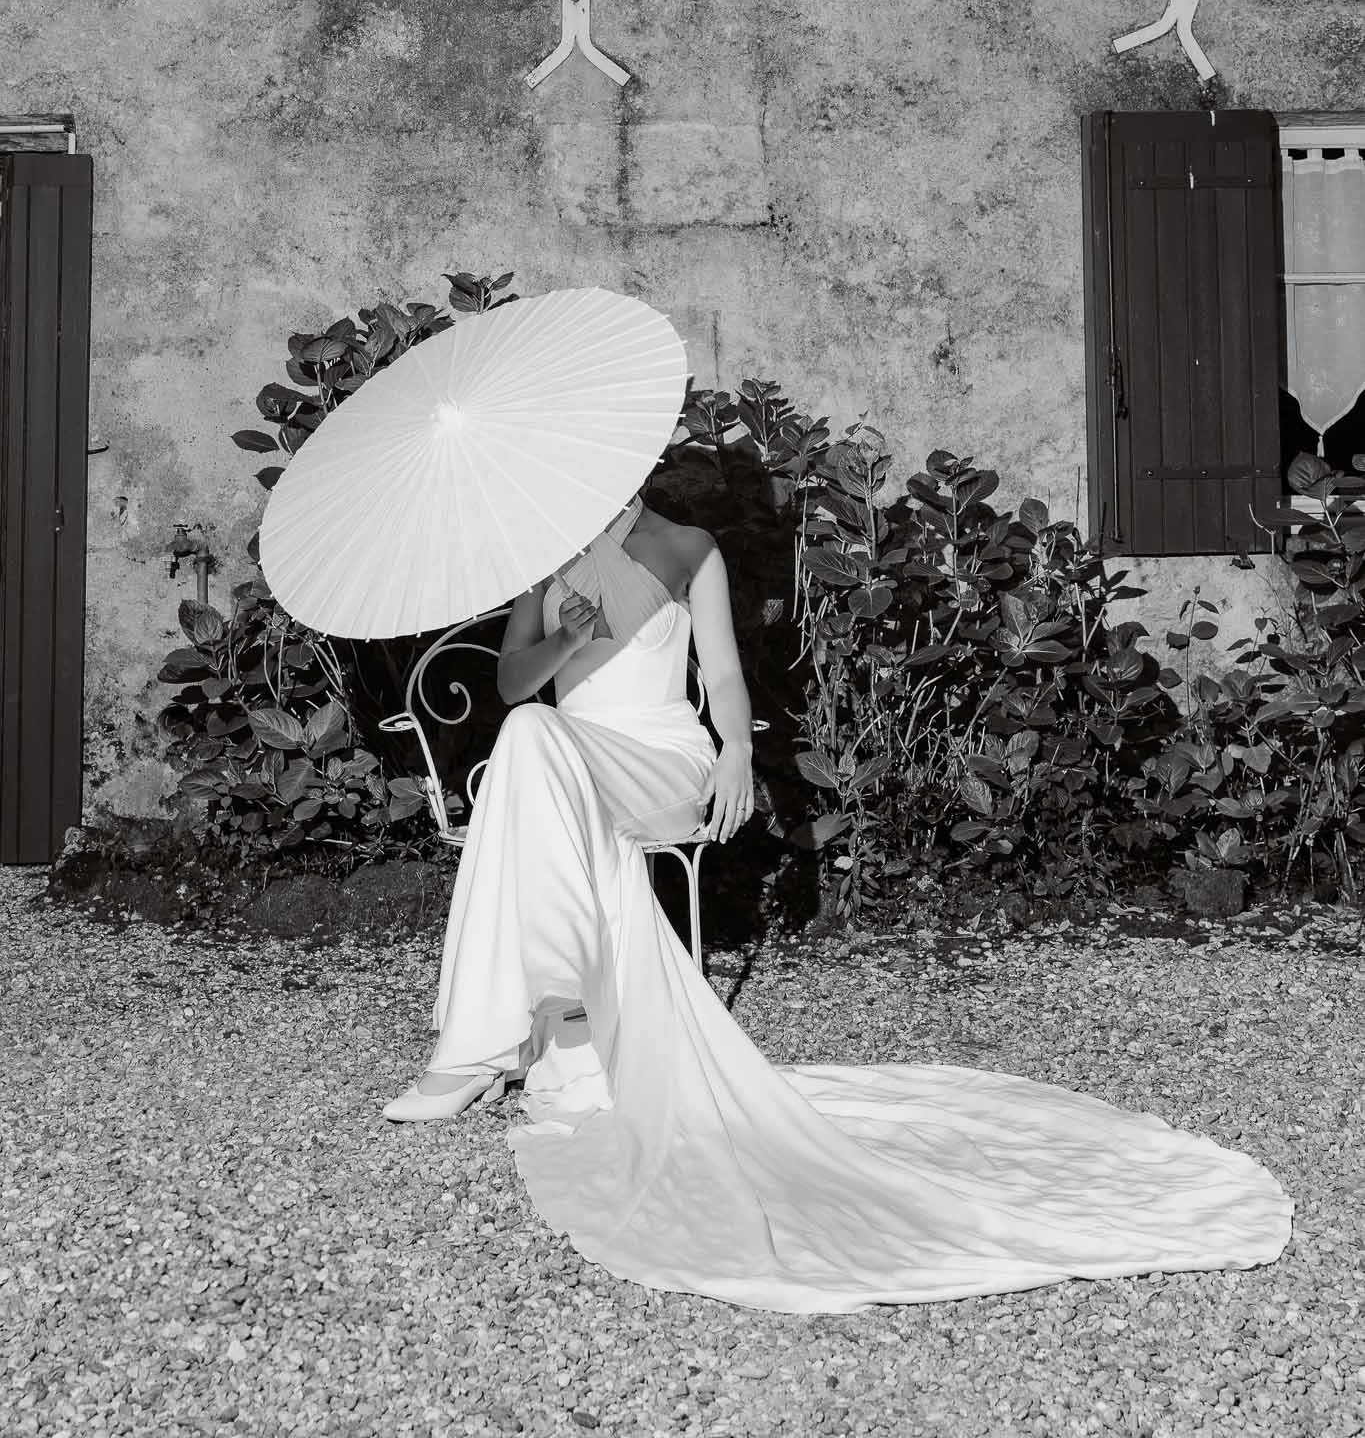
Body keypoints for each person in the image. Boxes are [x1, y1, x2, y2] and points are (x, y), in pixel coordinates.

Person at [383, 492, 1293, 1314]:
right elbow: (512, 684)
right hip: (566, 759)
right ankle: (552, 1021)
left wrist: (735, 753)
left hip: (656, 758)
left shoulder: (687, 545)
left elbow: (721, 672)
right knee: (532, 732)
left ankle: (492, 1042)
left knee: (528, 759)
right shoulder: (541, 561)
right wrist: (565, 639)